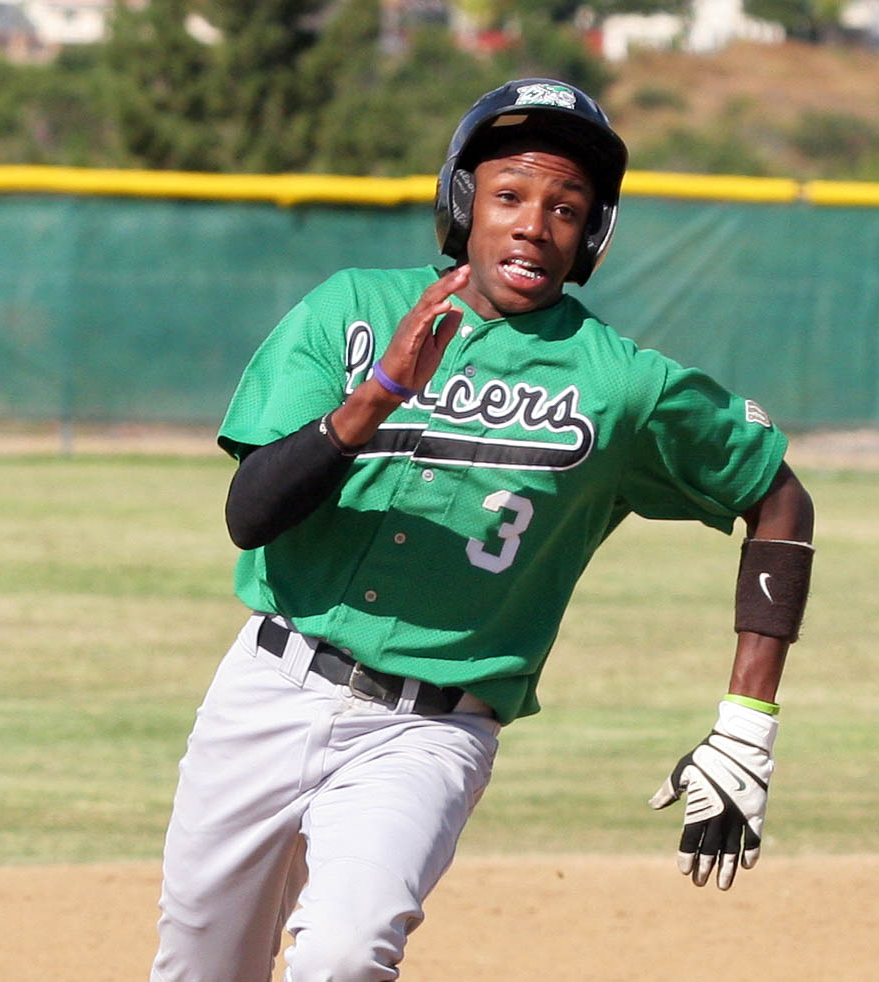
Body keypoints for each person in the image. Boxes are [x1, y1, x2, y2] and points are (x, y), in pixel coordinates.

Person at [150, 77, 814, 982]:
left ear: (593, 236)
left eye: (566, 208)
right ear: (463, 204)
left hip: (429, 732)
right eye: (509, 195)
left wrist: (748, 720)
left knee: (344, 959)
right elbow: (249, 514)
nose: (535, 224)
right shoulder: (350, 308)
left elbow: (776, 499)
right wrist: (375, 396)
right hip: (270, 688)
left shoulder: (623, 384)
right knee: (199, 969)